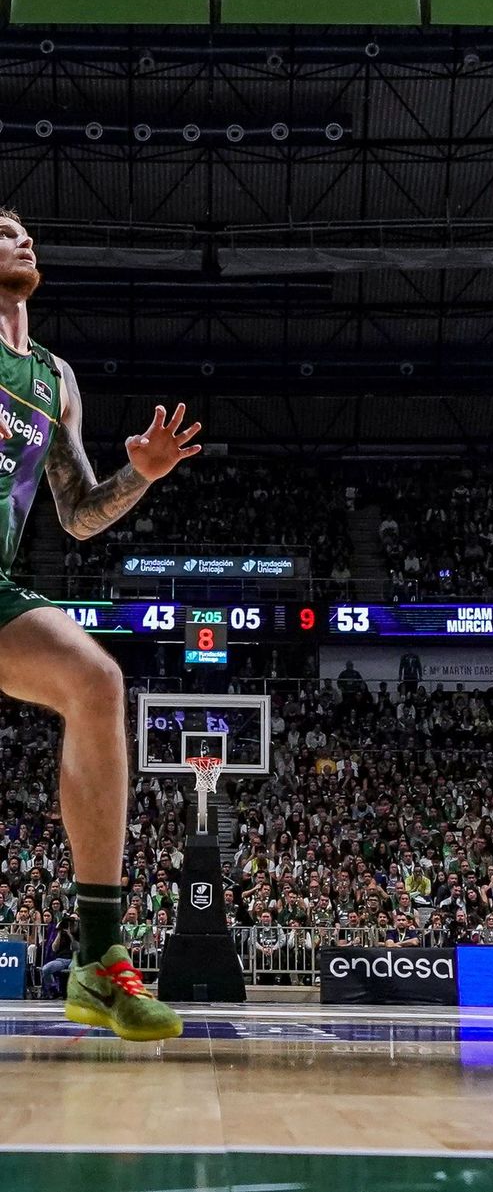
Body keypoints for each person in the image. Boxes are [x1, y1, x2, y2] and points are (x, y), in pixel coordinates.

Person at [0, 209, 199, 1039]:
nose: (22, 237)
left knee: (97, 681)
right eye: (1, 230)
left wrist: (141, 474)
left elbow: (78, 513)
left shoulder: (53, 377)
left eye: (23, 229)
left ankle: (98, 958)